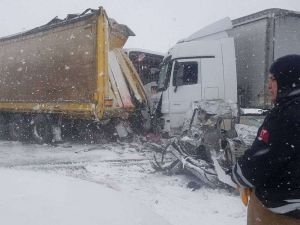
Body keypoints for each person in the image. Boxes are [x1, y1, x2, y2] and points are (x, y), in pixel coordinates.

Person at [231, 54, 300, 225]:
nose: (268, 86)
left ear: (288, 79)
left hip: (281, 210)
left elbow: (263, 158)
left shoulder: (286, 114)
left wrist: (239, 175)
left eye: (273, 79)